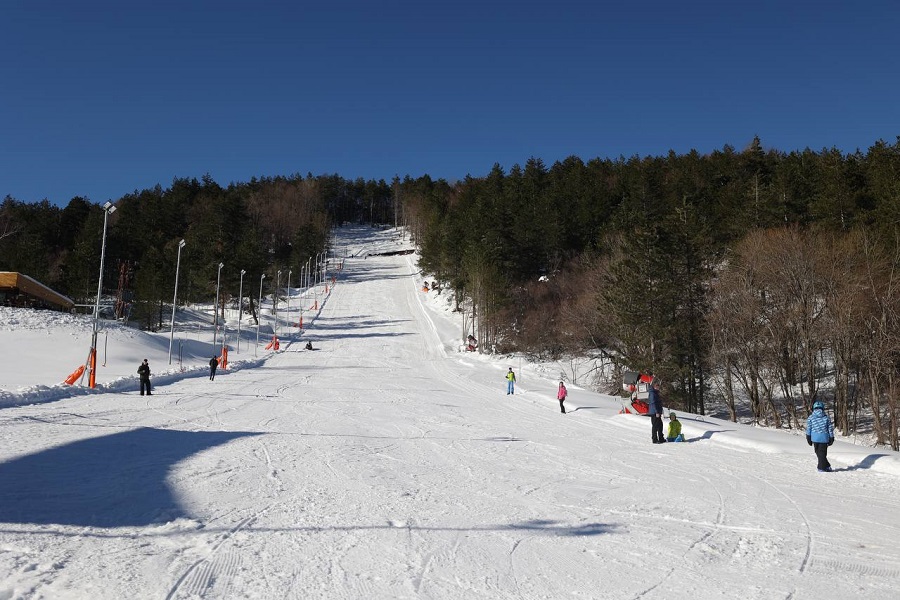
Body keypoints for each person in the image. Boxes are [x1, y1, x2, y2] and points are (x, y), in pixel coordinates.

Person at [806, 400, 835, 472]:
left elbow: (808, 428)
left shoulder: (811, 417)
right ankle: (825, 466)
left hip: (815, 438)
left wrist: (808, 437)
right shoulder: (826, 417)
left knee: (818, 453)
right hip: (824, 438)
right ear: (822, 408)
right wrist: (831, 437)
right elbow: (830, 428)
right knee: (822, 453)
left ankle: (822, 467)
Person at [648, 379, 665, 443]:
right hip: (654, 412)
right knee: (655, 425)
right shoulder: (652, 393)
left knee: (660, 425)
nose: (658, 387)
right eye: (656, 386)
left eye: (658, 386)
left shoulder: (656, 393)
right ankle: (654, 439)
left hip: (658, 411)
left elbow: (658, 403)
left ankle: (661, 438)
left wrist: (661, 410)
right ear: (654, 386)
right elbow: (653, 403)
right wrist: (656, 412)